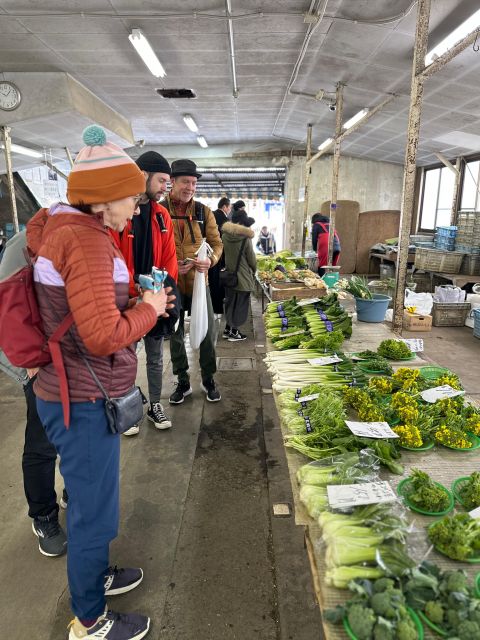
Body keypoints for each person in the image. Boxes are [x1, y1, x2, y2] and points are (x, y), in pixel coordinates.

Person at [27, 125, 174, 640]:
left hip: (76, 391)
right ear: (106, 197)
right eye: (131, 197)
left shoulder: (73, 230)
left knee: (96, 501)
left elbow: (91, 311)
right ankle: (90, 620)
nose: (136, 206)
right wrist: (150, 310)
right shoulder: (85, 241)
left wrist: (133, 300)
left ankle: (96, 576)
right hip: (84, 398)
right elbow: (101, 336)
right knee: (93, 513)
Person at [0, 231, 67, 557]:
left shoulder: (96, 234)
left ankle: (71, 492)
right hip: (37, 361)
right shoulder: (28, 240)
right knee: (43, 441)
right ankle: (44, 515)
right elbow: (9, 303)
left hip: (72, 358)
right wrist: (30, 360)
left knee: (77, 433)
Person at [110, 150, 178, 435]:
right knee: (124, 354)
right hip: (126, 300)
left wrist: (163, 295)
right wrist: (128, 295)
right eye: (162, 180)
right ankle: (125, 407)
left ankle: (154, 404)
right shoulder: (119, 212)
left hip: (154, 299)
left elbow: (170, 258)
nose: (165, 187)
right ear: (144, 177)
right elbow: (111, 257)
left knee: (154, 355)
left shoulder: (162, 216)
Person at [162, 159, 224, 404]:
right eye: (185, 182)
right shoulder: (160, 211)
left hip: (200, 282)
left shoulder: (202, 211)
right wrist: (170, 267)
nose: (190, 187)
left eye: (194, 183)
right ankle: (183, 380)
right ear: (172, 182)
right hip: (171, 283)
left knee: (207, 331)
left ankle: (208, 378)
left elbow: (216, 244)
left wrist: (210, 260)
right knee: (175, 333)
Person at [221, 208, 257, 341]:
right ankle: (235, 332)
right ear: (242, 223)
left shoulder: (224, 236)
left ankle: (227, 329)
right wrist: (254, 269)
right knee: (241, 305)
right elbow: (251, 259)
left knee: (230, 303)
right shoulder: (245, 239)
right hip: (243, 277)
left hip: (229, 276)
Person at [209, 197, 231, 316]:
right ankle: (216, 308)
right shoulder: (225, 220)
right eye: (229, 208)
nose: (229, 210)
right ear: (224, 207)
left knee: (211, 282)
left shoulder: (211, 215)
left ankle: (210, 306)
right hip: (220, 255)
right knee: (217, 282)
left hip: (208, 254)